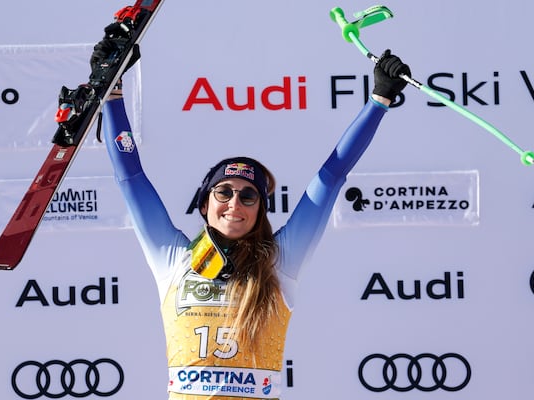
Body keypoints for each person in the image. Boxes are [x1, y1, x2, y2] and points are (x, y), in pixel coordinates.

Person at [98, 38, 410, 398]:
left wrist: (380, 100)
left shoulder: (279, 262)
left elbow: (332, 175)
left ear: (260, 209)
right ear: (204, 204)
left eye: (249, 196)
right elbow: (130, 176)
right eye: (224, 192)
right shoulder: (173, 259)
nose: (235, 203)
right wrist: (113, 93)